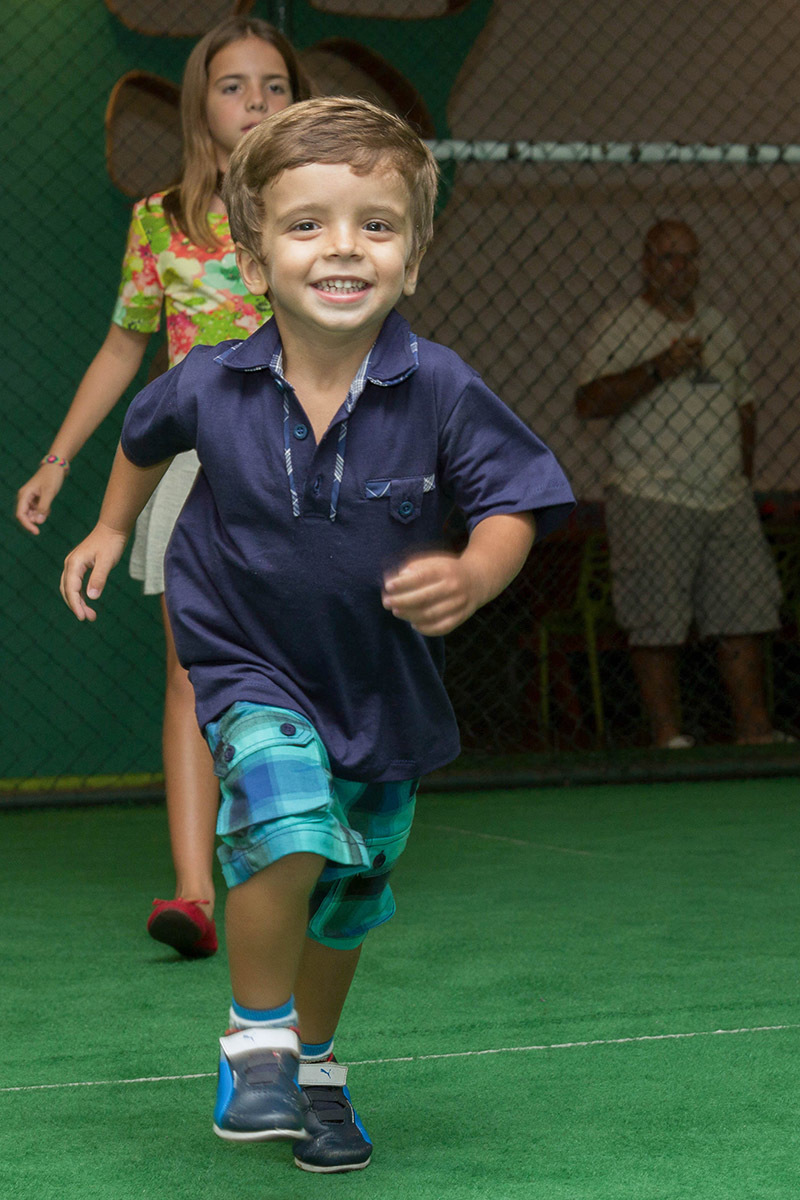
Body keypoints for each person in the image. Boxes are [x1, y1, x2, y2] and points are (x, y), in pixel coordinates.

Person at [59, 97, 575, 1172]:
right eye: (306, 225)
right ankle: (256, 1043)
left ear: (415, 257)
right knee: (288, 821)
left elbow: (511, 504)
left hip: (380, 686)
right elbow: (142, 437)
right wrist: (110, 527)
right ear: (254, 259)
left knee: (345, 896)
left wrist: (475, 572)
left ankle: (317, 1065)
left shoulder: (441, 387)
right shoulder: (208, 378)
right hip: (249, 660)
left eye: (375, 225)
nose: (342, 247)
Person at [16, 17, 311, 957]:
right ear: (199, 104)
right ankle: (193, 892)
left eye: (273, 84)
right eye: (233, 85)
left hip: (306, 463)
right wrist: (57, 460)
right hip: (194, 468)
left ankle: (308, 853)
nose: (255, 101)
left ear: (298, 101)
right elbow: (121, 348)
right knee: (190, 673)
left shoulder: (322, 207)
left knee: (304, 666)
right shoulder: (160, 219)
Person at [575, 219, 786, 748]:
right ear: (647, 265)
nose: (682, 268)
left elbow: (745, 406)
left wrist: (741, 475)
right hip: (652, 494)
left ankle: (755, 735)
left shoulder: (719, 325)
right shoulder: (621, 327)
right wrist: (656, 370)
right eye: (669, 258)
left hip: (725, 496)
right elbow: (589, 402)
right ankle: (668, 739)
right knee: (656, 621)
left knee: (745, 616)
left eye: (690, 257)